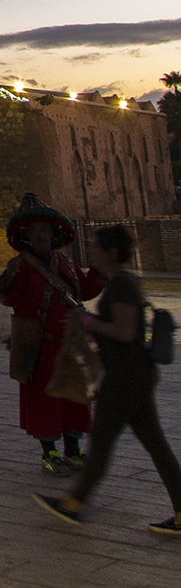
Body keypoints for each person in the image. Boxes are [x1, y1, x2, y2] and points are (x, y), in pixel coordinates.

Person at [36, 223, 181, 533]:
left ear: (112, 252)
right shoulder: (121, 282)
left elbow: (126, 333)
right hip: (134, 375)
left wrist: (88, 320)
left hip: (127, 378)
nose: (91, 251)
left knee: (101, 441)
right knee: (156, 446)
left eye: (96, 246)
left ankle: (74, 502)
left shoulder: (121, 285)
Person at [0, 194, 103, 473]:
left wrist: (100, 272)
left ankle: (74, 449)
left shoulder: (66, 263)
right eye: (34, 231)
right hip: (41, 346)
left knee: (74, 398)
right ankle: (49, 453)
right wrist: (7, 278)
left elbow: (86, 291)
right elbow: (8, 298)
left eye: (44, 229)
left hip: (70, 343)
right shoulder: (24, 265)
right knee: (45, 401)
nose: (40, 234)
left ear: (52, 233)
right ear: (27, 236)